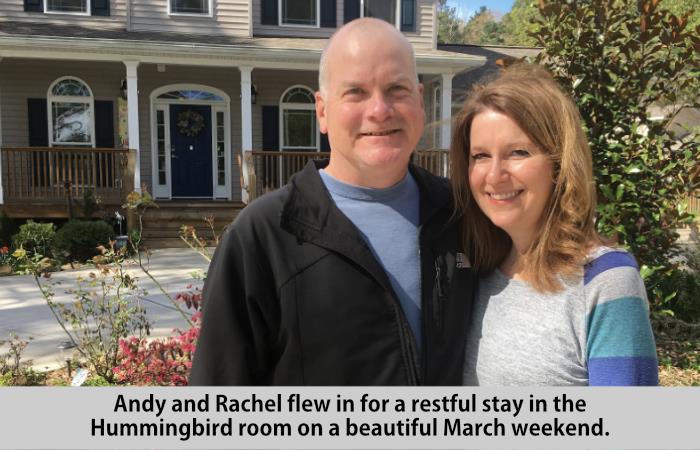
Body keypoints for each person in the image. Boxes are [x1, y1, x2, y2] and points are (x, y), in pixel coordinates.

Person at [189, 18, 474, 385]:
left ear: (420, 100)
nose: (379, 110)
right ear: (322, 111)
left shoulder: (462, 216)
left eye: (397, 89)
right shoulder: (263, 236)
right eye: (356, 92)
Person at [451, 64, 658, 386]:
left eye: (517, 152)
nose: (493, 176)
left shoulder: (605, 282)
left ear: (560, 164)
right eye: (480, 156)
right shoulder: (477, 270)